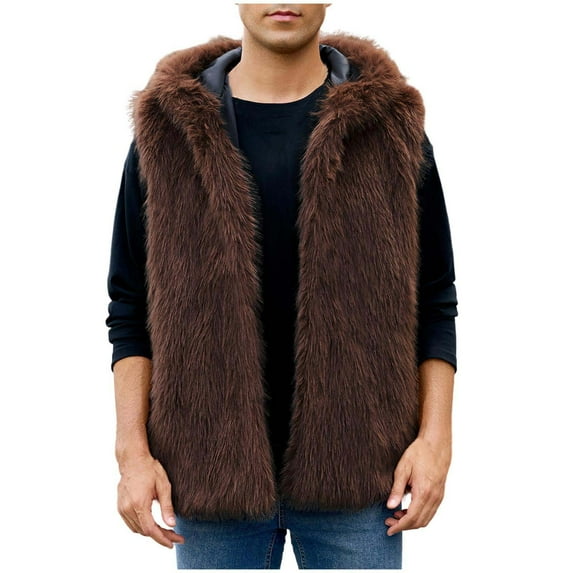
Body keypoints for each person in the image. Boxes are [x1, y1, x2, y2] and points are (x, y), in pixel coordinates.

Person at [106, 3, 458, 569]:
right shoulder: (167, 129)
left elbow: (436, 297)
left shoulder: (390, 127)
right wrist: (132, 452)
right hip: (208, 475)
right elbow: (130, 305)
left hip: (363, 476)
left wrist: (436, 442)